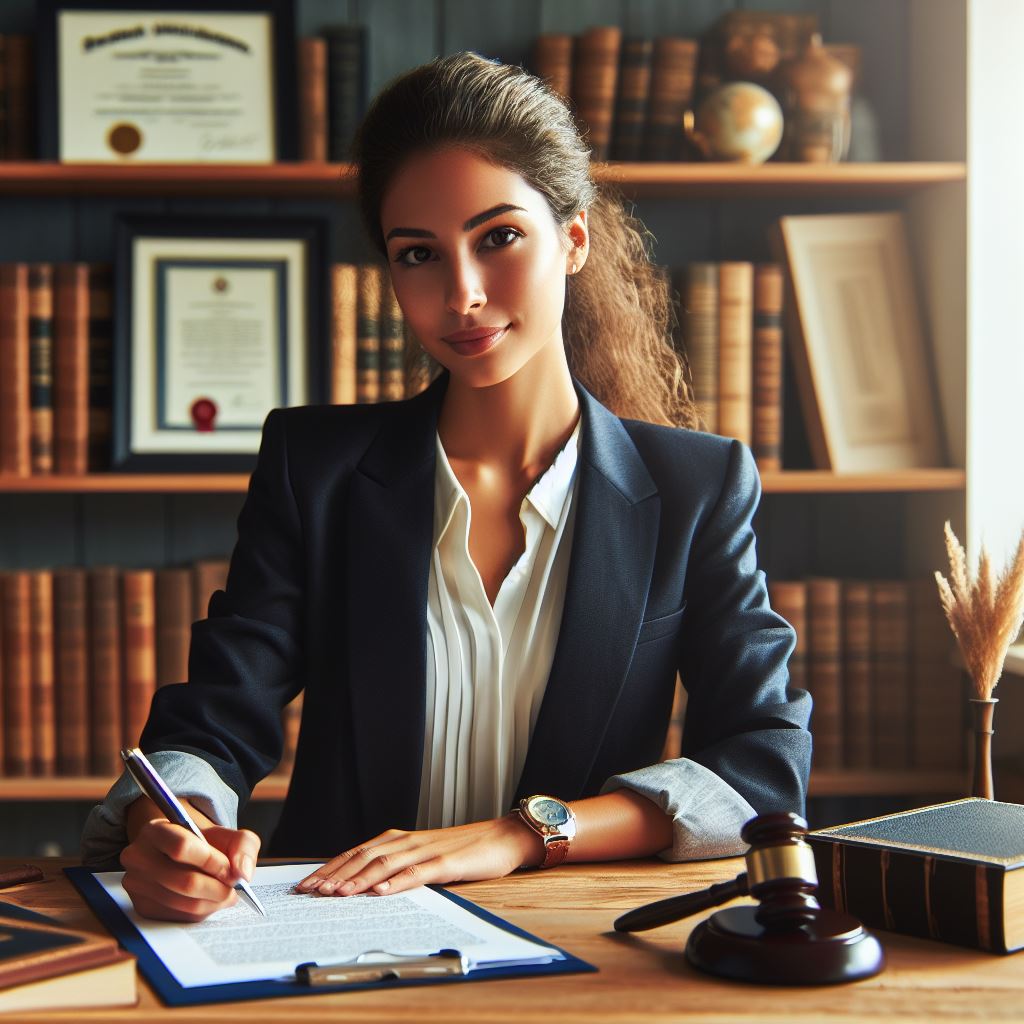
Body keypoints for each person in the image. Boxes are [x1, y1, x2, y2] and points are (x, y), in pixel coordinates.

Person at [82, 52, 811, 922]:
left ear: (573, 241)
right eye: (418, 254)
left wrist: (520, 833)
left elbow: (763, 762)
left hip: (579, 932)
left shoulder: (696, 486)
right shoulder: (314, 468)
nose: (461, 295)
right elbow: (213, 721)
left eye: (499, 237)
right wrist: (178, 825)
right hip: (335, 924)